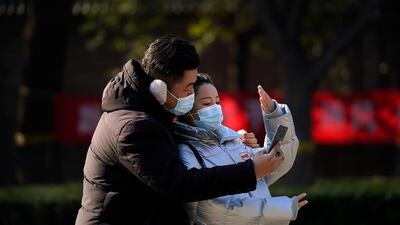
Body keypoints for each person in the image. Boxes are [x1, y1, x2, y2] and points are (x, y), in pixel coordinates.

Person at [75, 34, 286, 225]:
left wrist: (229, 139)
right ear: (159, 87)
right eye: (187, 88)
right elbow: (180, 184)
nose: (191, 95)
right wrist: (250, 171)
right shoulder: (133, 127)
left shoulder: (147, 110)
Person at [173, 73, 308, 225]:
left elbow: (275, 164)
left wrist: (274, 115)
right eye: (206, 104)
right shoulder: (186, 152)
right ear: (187, 108)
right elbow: (212, 210)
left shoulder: (233, 139)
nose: (215, 108)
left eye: (217, 102)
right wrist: (282, 208)